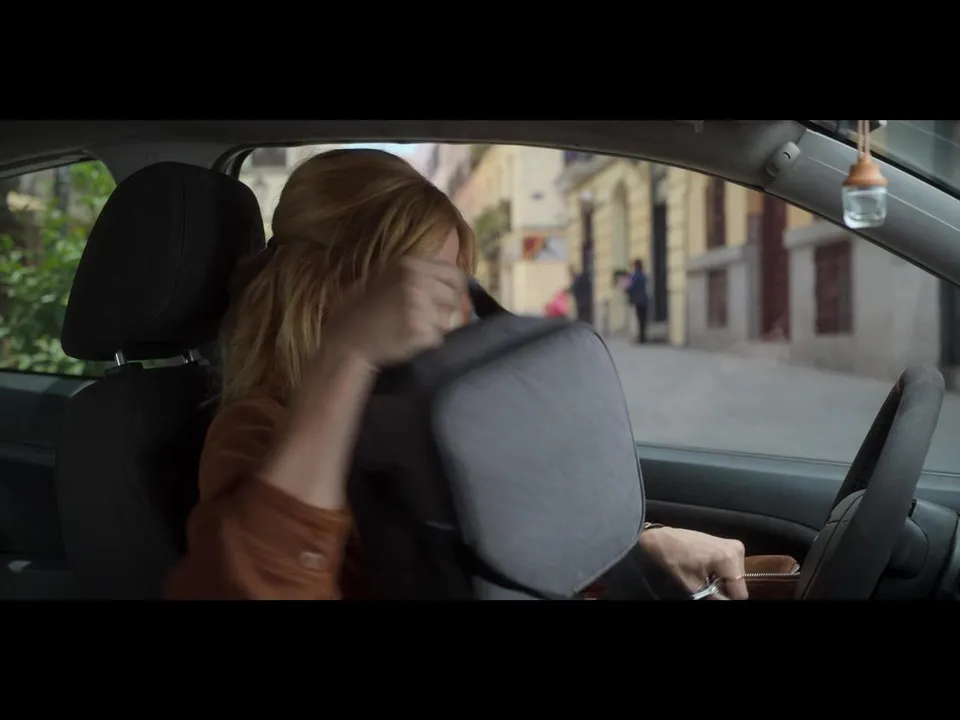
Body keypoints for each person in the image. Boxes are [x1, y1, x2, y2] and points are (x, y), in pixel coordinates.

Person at [164, 148, 748, 601]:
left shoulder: (422, 407)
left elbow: (502, 533)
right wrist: (347, 357)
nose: (450, 316)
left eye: (452, 287)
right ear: (323, 289)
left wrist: (642, 548)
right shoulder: (258, 431)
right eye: (418, 291)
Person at [626, 259, 649, 344]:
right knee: (643, 320)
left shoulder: (634, 276)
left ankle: (640, 337)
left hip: (637, 301)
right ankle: (643, 337)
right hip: (644, 300)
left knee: (639, 319)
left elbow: (630, 288)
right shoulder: (643, 275)